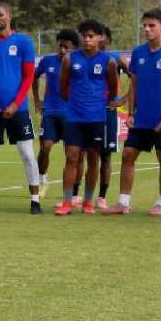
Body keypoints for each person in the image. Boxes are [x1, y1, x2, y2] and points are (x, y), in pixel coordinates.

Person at [106, 9, 161, 216]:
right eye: (145, 26)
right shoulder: (138, 53)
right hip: (141, 118)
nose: (147, 29)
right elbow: (134, 86)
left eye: (152, 26)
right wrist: (130, 113)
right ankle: (123, 203)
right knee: (128, 154)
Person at [0, 2, 42, 214]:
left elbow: (29, 76)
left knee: (27, 154)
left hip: (18, 110)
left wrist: (15, 103)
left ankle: (35, 201)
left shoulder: (23, 42)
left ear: (9, 16)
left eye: (0, 14)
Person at [54, 20, 119, 215]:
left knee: (93, 159)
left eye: (91, 36)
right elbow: (63, 87)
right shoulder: (69, 59)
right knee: (72, 156)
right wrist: (75, 103)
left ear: (100, 38)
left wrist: (105, 102)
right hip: (74, 117)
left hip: (97, 118)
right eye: (84, 36)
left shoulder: (108, 61)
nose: (87, 39)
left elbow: (114, 87)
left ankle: (88, 202)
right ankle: (67, 202)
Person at [34, 29, 78, 197]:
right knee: (45, 147)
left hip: (71, 114)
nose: (62, 50)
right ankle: (41, 178)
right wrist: (37, 100)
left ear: (73, 48)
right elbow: (34, 76)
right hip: (51, 113)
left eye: (66, 47)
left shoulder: (78, 62)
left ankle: (70, 192)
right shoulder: (48, 61)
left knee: (71, 153)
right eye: (60, 46)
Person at [92, 25, 128, 211]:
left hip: (107, 111)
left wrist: (124, 99)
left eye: (104, 36)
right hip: (88, 111)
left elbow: (135, 78)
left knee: (105, 155)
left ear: (108, 40)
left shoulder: (115, 59)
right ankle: (77, 196)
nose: (101, 39)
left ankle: (102, 197)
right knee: (86, 153)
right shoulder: (86, 58)